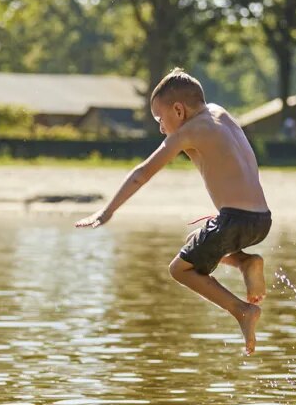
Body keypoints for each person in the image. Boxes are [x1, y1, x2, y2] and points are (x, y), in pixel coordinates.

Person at [75, 68, 271, 355]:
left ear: (178, 110)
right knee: (197, 238)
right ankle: (245, 262)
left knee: (179, 269)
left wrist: (106, 213)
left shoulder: (190, 131)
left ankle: (242, 311)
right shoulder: (221, 113)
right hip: (261, 219)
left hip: (235, 221)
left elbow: (142, 173)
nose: (160, 127)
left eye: (160, 118)